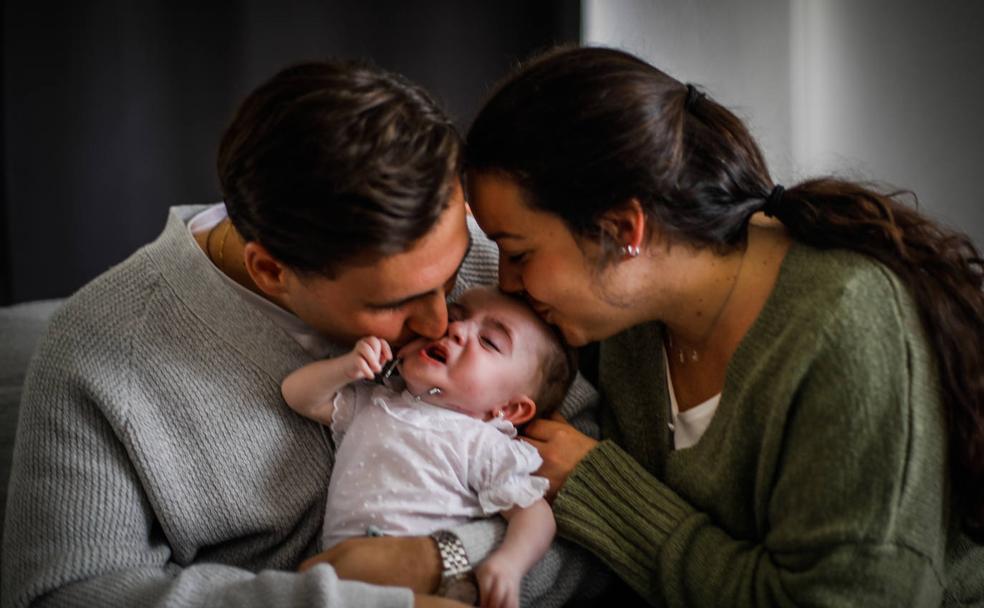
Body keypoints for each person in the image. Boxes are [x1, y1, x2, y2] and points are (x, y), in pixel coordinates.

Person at [0, 59, 602, 608]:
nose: (442, 322)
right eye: (393, 304)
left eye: (452, 274)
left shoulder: (491, 274)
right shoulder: (99, 350)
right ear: (272, 271)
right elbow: (69, 594)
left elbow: (596, 515)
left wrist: (439, 558)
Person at [464, 46, 984, 606]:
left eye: (517, 252)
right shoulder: (622, 318)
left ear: (622, 229)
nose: (508, 282)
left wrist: (604, 492)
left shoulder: (847, 330)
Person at [282, 286, 577, 608]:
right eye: (454, 316)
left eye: (489, 341)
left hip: (425, 587)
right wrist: (346, 367)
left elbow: (535, 513)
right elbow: (298, 396)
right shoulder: (376, 402)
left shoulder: (482, 443)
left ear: (509, 409)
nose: (457, 329)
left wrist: (509, 563)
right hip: (339, 583)